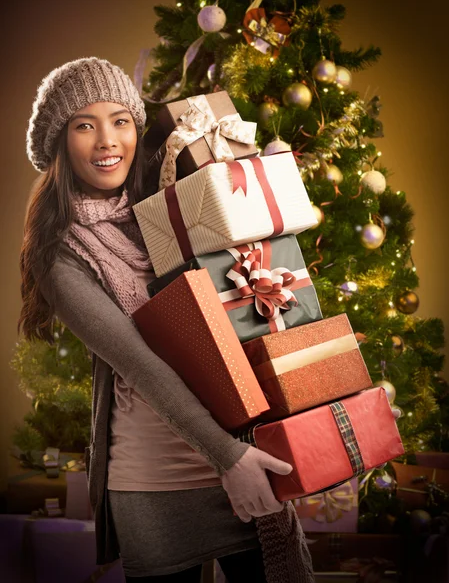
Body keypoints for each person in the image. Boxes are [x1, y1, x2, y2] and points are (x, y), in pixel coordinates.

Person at [18, 57, 316, 583]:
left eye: (121, 121)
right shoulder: (60, 253)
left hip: (244, 453)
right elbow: (140, 364)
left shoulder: (175, 203)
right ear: (60, 144)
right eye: (84, 125)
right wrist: (229, 459)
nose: (107, 140)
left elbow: (248, 301)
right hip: (157, 485)